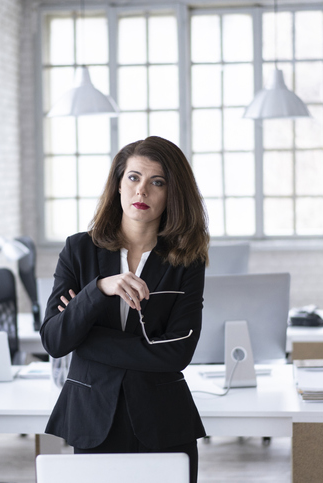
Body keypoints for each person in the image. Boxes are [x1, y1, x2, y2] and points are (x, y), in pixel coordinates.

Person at [40, 136, 209, 483]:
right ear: (118, 184)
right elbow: (55, 340)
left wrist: (85, 341)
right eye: (133, 177)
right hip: (92, 418)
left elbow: (177, 353)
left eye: (157, 182)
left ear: (172, 193)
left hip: (164, 422)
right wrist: (99, 289)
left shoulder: (187, 261)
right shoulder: (78, 250)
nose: (142, 191)